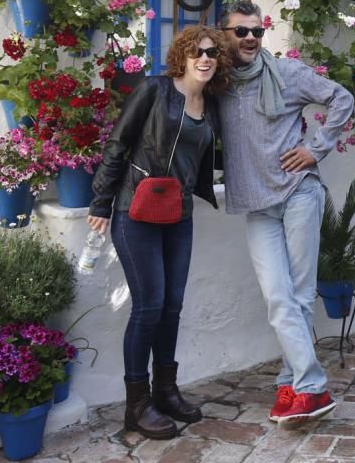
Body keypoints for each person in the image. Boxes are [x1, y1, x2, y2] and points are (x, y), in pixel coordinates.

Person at [88, 26, 231, 439]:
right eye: (198, 53)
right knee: (148, 307)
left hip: (178, 212)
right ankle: (137, 405)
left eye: (213, 54)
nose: (205, 60)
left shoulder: (211, 103)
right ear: (183, 56)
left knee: (172, 306)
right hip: (136, 210)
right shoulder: (155, 90)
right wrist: (101, 202)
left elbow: (209, 155)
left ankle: (166, 391)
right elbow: (118, 143)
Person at [217, 0, 354, 424]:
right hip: (258, 206)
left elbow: (341, 99)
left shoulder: (286, 73)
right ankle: (299, 378)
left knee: (298, 294)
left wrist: (314, 150)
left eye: (257, 31)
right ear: (225, 35)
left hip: (298, 194)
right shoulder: (218, 84)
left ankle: (303, 386)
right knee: (279, 298)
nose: (251, 39)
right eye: (241, 32)